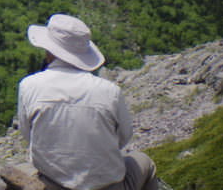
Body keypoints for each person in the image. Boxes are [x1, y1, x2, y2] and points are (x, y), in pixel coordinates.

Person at [16, 14, 157, 190]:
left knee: (22, 170)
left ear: (50, 52)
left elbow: (28, 134)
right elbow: (123, 137)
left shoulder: (28, 85)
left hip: (52, 184)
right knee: (145, 163)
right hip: (106, 186)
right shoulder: (110, 91)